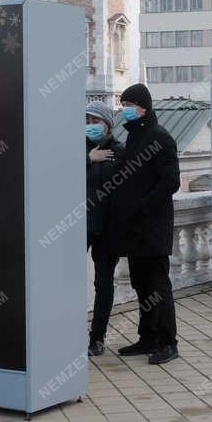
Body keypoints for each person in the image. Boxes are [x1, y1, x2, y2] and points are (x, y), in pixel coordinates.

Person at [111, 84, 181, 365]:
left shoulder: (161, 138)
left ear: (142, 107)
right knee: (141, 284)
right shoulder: (135, 136)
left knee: (157, 286)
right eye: (122, 103)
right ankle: (148, 337)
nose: (123, 108)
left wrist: (142, 207)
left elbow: (171, 182)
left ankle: (168, 342)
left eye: (128, 103)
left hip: (152, 226)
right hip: (135, 228)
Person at [84, 101, 125, 356]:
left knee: (104, 283)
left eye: (95, 122)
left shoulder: (120, 151)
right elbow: (56, 175)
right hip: (78, 226)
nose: (90, 127)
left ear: (107, 124)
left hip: (108, 228)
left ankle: (97, 337)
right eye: (87, 122)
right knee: (64, 280)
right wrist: (87, 158)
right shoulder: (75, 149)